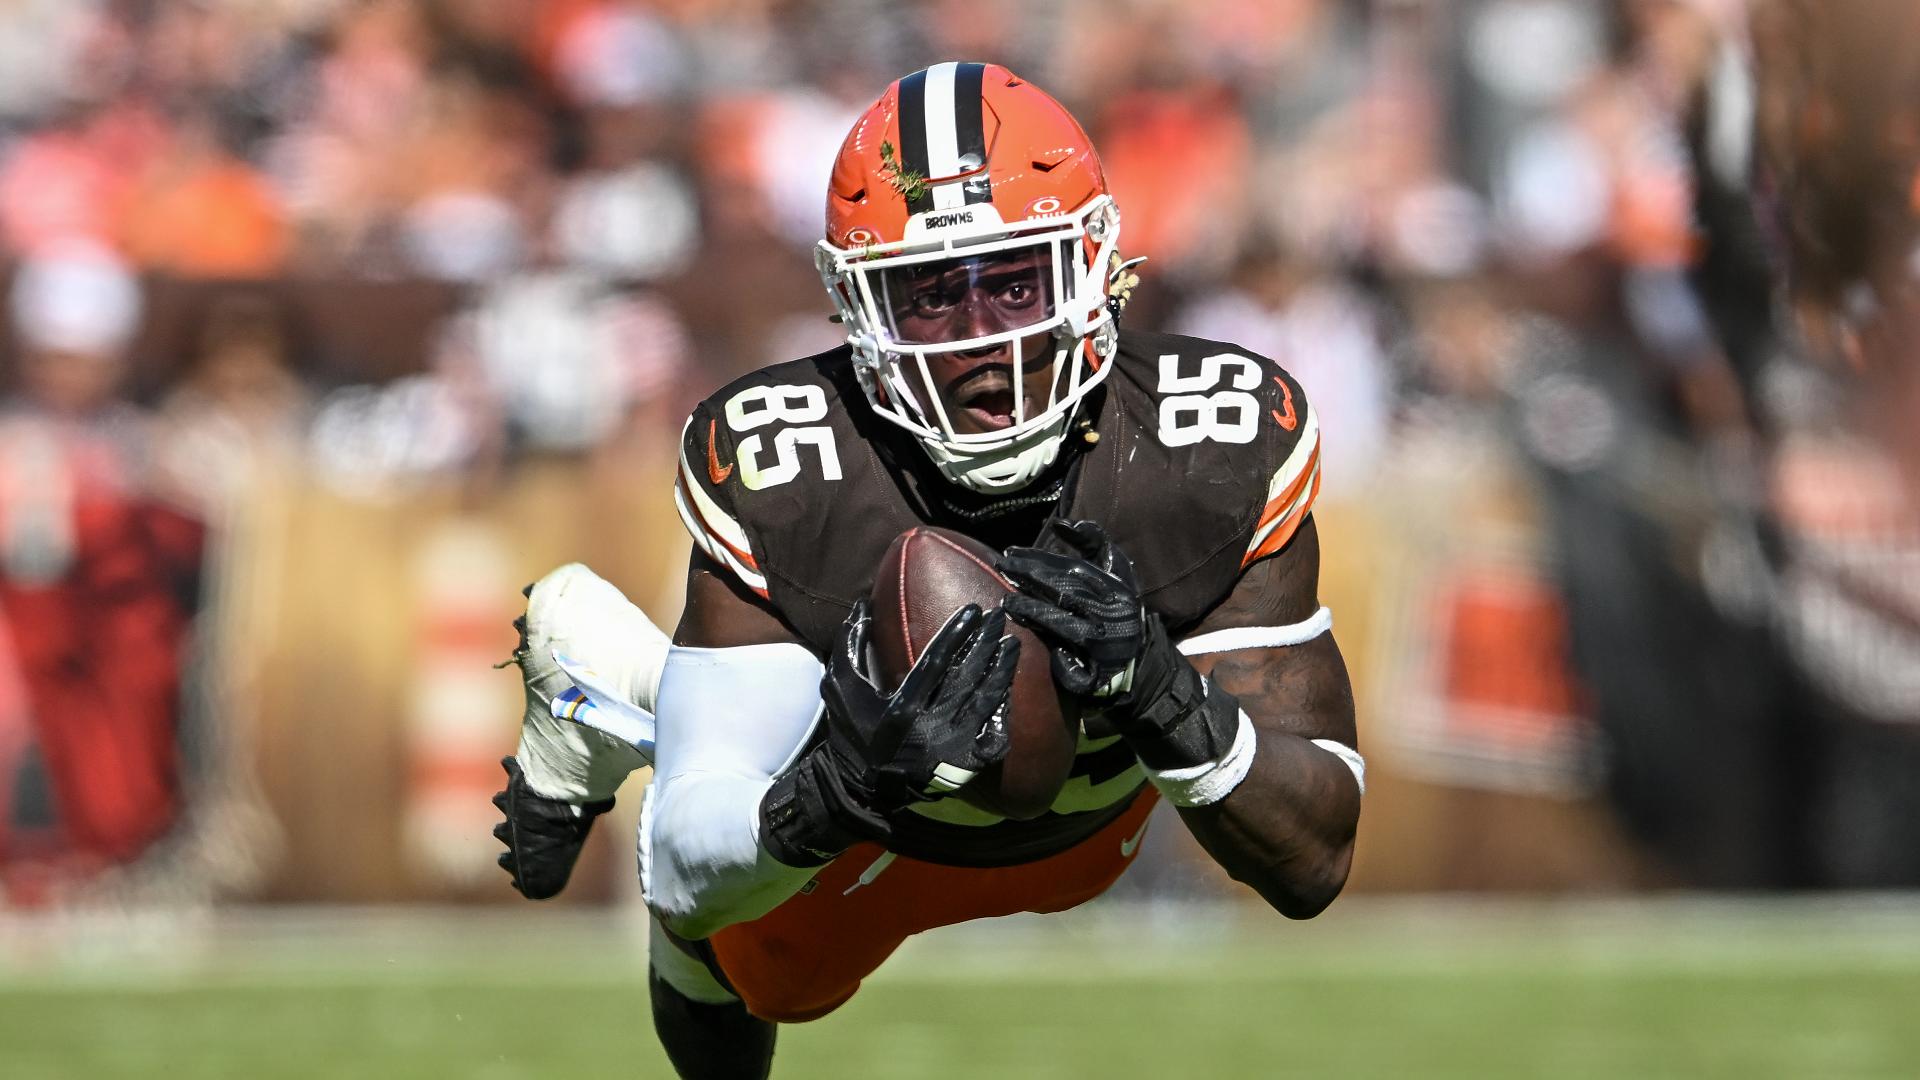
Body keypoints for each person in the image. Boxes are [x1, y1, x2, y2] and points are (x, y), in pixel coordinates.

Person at [491, 63, 1363, 1079]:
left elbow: (1314, 859)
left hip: (1094, 822)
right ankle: (642, 697)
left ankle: (629, 680)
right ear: (856, 311)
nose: (982, 333)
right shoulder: (793, 466)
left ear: (1095, 265)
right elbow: (691, 867)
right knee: (763, 972)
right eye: (931, 293)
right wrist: (827, 792)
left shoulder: (1208, 440)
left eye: (1013, 279)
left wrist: (1161, 691)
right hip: (872, 835)